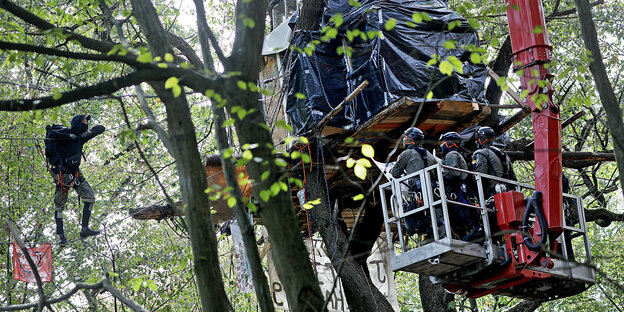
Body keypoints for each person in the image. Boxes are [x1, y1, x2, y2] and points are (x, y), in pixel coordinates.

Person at [48, 115, 105, 246]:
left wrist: (89, 132)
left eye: (86, 121)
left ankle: (85, 229)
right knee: (59, 206)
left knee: (90, 197)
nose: (85, 123)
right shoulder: (65, 135)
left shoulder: (81, 138)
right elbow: (52, 134)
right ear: (77, 123)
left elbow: (101, 128)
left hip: (76, 174)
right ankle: (61, 237)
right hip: (63, 175)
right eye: (83, 121)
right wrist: (68, 136)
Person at [471, 126, 516, 240]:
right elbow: (514, 179)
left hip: (491, 195)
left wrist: (475, 198)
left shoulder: (481, 153)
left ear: (482, 139)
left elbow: (480, 176)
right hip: (506, 195)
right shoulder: (504, 155)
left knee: (489, 227)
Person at [391, 127, 437, 237]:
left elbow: (395, 173)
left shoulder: (407, 153)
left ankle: (425, 235)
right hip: (434, 191)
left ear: (410, 139)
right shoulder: (429, 154)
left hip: (418, 191)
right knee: (434, 216)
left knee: (414, 219)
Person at [439, 132, 476, 238]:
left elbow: (453, 173)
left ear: (451, 143)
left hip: (457, 192)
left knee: (459, 217)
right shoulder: (460, 154)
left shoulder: (452, 155)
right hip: (464, 191)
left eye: (444, 142)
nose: (442, 145)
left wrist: (441, 174)